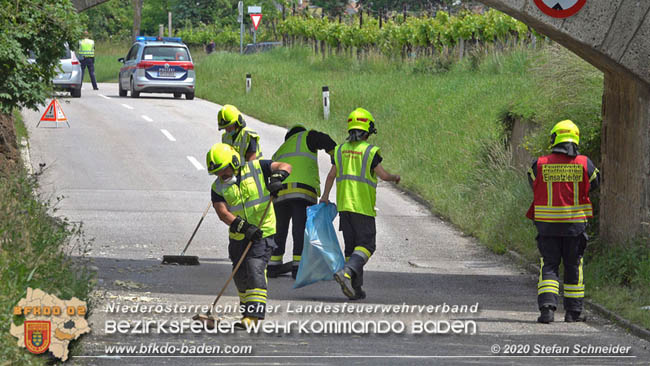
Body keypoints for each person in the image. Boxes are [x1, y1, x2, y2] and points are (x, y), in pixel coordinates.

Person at [206, 143, 291, 327]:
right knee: (240, 275)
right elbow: (222, 213)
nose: (222, 175)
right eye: (218, 173)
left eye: (224, 170)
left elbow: (285, 166)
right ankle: (246, 311)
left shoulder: (257, 168)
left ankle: (254, 316)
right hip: (239, 236)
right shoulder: (218, 187)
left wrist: (277, 178)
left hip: (264, 231)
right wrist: (243, 227)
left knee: (255, 268)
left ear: (234, 162)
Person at [320, 108, 401, 300]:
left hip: (344, 208)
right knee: (367, 245)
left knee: (351, 249)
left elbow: (331, 175)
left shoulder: (340, 150)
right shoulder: (370, 151)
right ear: (368, 130)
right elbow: (382, 175)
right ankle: (346, 273)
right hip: (362, 207)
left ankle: (356, 288)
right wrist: (394, 177)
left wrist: (324, 197)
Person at [526, 120, 600, 324]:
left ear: (554, 138)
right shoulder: (585, 163)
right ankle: (572, 313)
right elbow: (594, 183)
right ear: (575, 139)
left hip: (547, 227)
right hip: (574, 227)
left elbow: (532, 182)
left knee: (549, 265)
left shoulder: (540, 164)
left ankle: (547, 310)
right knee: (573, 265)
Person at [269, 124, 337, 278]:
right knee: (299, 228)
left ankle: (273, 265)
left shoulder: (280, 150)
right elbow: (324, 139)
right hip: (302, 192)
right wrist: (335, 155)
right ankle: (298, 267)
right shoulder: (306, 136)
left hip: (280, 193)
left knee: (279, 228)